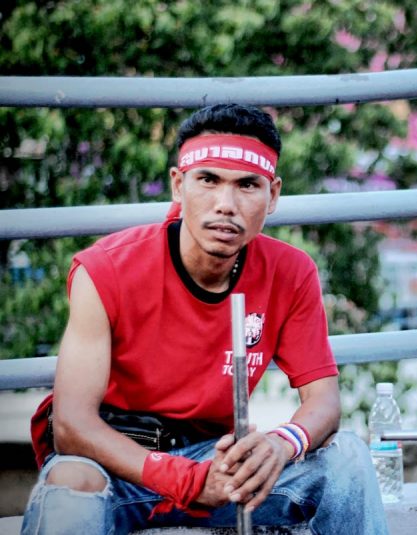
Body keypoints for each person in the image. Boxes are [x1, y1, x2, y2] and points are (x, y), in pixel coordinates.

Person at [22, 104, 388, 535]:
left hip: (218, 464)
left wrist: (279, 444)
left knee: (346, 456)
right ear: (179, 184)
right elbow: (71, 426)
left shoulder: (290, 271)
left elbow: (324, 402)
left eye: (248, 185)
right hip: (119, 461)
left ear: (272, 197)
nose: (226, 204)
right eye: (208, 180)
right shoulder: (107, 269)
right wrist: (184, 480)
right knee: (70, 482)